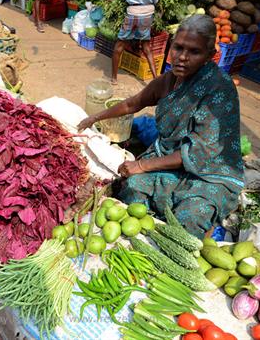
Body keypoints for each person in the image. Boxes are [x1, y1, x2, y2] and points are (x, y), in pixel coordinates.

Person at [78, 15, 244, 239]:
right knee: (132, 188)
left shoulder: (219, 89)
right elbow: (131, 104)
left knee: (191, 218)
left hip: (208, 172)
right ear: (171, 46)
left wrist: (142, 164)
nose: (182, 58)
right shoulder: (169, 80)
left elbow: (198, 152)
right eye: (178, 48)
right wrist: (92, 119)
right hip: (169, 159)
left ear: (210, 56)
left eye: (194, 52)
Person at [111, 0, 164, 85]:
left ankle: (114, 78)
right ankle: (155, 78)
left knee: (119, 45)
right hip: (148, 14)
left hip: (133, 13)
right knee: (146, 47)